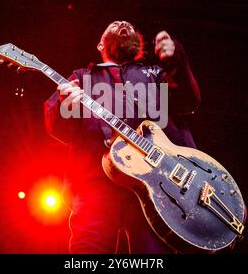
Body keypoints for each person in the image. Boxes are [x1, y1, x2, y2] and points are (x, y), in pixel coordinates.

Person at [44, 21, 201, 253]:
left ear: (139, 46)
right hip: (96, 184)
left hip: (156, 187)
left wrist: (175, 60)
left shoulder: (155, 74)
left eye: (128, 25)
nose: (122, 24)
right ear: (100, 45)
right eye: (114, 24)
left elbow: (188, 101)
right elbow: (59, 130)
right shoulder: (82, 78)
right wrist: (64, 106)